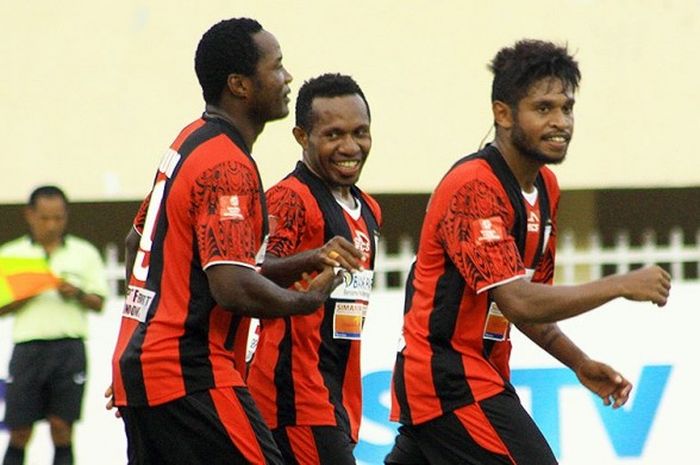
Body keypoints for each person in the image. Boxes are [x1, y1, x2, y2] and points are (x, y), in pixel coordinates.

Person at [384, 39, 672, 465]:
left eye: (567, 107)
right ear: (503, 113)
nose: (561, 122)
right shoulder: (474, 187)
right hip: (452, 384)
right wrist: (621, 283)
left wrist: (578, 363)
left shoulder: (545, 189)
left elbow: (533, 303)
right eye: (543, 108)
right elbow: (519, 301)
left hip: (473, 380)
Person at [109, 18, 345, 465]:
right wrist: (308, 301)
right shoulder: (228, 166)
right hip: (191, 373)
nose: (287, 77)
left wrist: (139, 348)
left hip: (147, 369)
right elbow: (232, 286)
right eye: (276, 67)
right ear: (239, 84)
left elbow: (135, 242)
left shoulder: (188, 142)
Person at [247, 73, 381, 465]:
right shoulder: (290, 199)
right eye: (333, 134)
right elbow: (251, 271)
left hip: (337, 392)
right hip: (293, 395)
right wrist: (313, 257)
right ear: (302, 137)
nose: (350, 146)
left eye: (361, 132)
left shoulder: (369, 209)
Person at [0, 185, 108, 465]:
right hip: (27, 350)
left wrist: (78, 293)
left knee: (62, 428)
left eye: (58, 218)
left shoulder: (84, 253)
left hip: (68, 349)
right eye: (45, 218)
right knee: (20, 430)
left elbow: (99, 302)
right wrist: (28, 291)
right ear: (30, 215)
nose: (52, 225)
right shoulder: (11, 254)